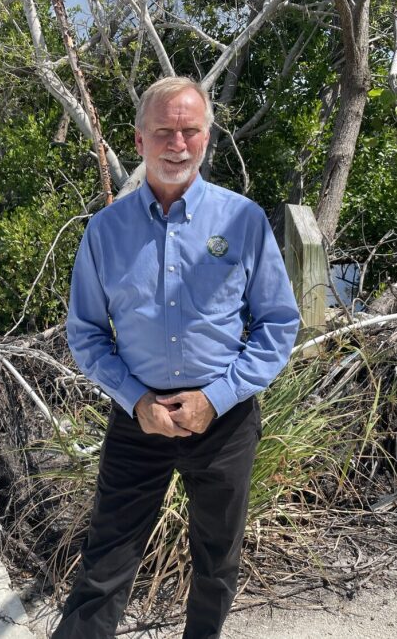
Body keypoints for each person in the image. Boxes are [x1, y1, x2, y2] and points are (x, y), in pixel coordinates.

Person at [54, 76, 301, 639]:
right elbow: (87, 333)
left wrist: (214, 400)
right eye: (164, 131)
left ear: (207, 139)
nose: (178, 144)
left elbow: (278, 325)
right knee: (106, 561)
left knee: (217, 563)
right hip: (137, 417)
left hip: (224, 418)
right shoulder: (104, 231)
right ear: (139, 142)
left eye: (190, 131)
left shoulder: (244, 220)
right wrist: (136, 400)